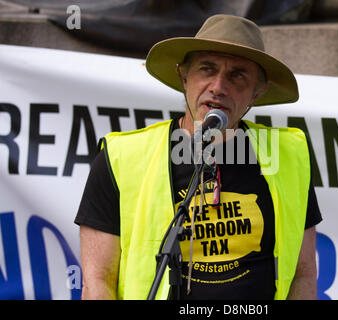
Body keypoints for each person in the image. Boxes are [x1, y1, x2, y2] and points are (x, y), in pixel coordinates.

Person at [75, 14, 322, 300]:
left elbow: (303, 274)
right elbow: (97, 281)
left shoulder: (289, 156)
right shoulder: (122, 159)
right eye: (207, 69)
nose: (218, 86)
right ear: (184, 76)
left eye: (237, 75)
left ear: (257, 92)